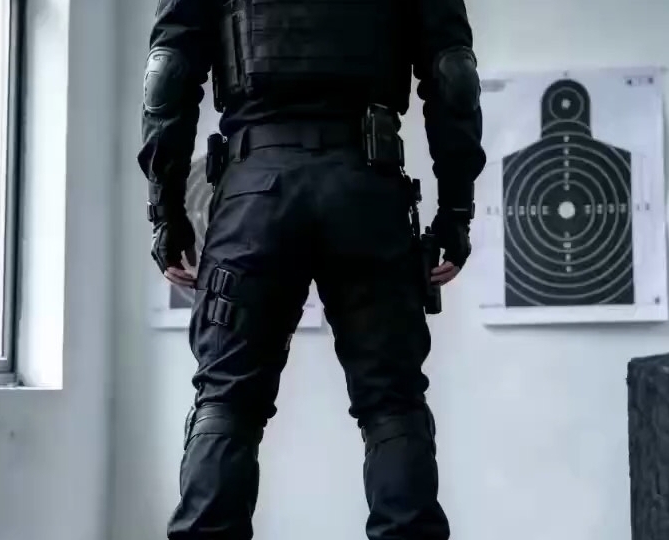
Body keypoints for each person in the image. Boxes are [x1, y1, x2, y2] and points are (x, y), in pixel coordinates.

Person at [138, 0, 486, 538]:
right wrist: (456, 210)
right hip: (366, 191)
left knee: (227, 401)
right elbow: (453, 75)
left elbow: (169, 73)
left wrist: (167, 211)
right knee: (392, 403)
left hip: (254, 195)